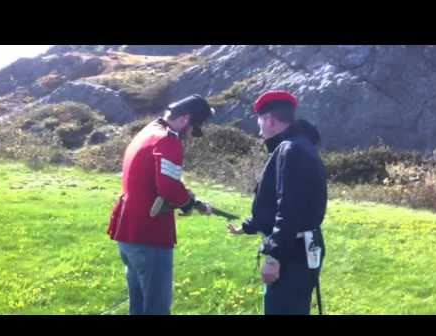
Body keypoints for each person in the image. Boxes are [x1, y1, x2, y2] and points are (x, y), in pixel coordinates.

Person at [107, 94, 214, 315]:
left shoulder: (148, 131)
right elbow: (168, 187)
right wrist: (187, 203)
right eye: (195, 129)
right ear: (185, 119)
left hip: (128, 232)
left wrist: (190, 201)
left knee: (138, 306)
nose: (192, 137)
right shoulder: (168, 140)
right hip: (149, 235)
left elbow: (163, 181)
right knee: (156, 308)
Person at [228, 90, 327, 315]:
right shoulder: (299, 144)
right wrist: (248, 226)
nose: (259, 129)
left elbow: (290, 209)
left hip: (293, 252)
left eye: (260, 122)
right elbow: (276, 203)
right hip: (302, 246)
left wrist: (274, 257)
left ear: (270, 120)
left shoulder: (291, 150)